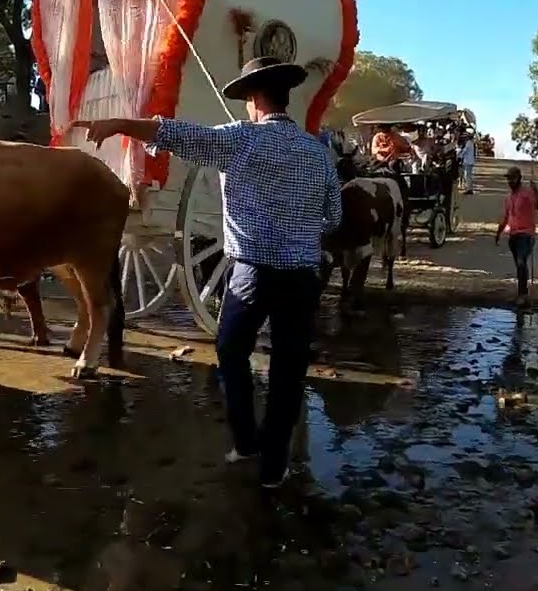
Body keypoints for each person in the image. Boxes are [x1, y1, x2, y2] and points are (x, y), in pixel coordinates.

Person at [73, 56, 342, 489]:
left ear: (254, 99)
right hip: (302, 278)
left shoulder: (239, 140)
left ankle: (246, 441)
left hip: (251, 276)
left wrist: (117, 124)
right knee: (289, 371)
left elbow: (170, 132)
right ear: (285, 97)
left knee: (231, 352)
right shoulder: (318, 153)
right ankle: (274, 467)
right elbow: (332, 218)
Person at [495, 165, 538, 308]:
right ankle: (522, 293)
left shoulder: (527, 193)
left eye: (513, 178)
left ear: (519, 179)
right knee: (519, 265)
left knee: (522, 262)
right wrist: (499, 232)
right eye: (508, 179)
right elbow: (505, 217)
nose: (510, 181)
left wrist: (536, 190)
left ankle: (523, 295)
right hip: (513, 235)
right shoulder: (508, 197)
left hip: (526, 234)